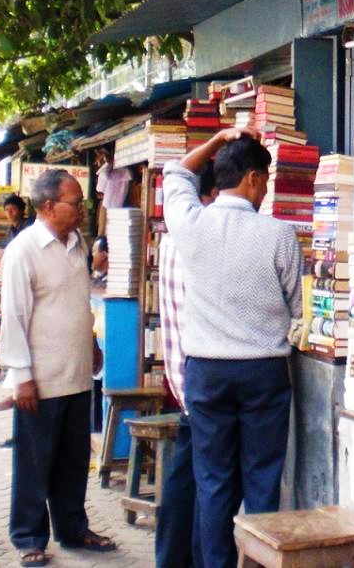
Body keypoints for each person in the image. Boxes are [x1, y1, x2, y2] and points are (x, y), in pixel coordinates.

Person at [163, 129, 302, 568]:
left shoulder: (190, 222)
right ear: (254, 179)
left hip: (206, 373)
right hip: (264, 373)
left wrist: (217, 138)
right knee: (262, 480)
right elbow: (299, 307)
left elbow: (175, 172)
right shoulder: (279, 235)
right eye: (266, 181)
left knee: (213, 481)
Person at [0, 169, 116, 566]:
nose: (82, 209)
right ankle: (29, 536)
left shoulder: (77, 244)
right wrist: (21, 378)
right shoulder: (24, 250)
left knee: (71, 461)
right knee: (34, 463)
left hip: (76, 371)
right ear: (48, 206)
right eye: (75, 202)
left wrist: (92, 346)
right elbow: (13, 317)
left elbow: (78, 302)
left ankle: (72, 527)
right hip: (41, 378)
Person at [155, 166, 216, 568]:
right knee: (203, 480)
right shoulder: (203, 236)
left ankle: (173, 557)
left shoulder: (171, 236)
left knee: (188, 474)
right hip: (202, 376)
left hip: (182, 373)